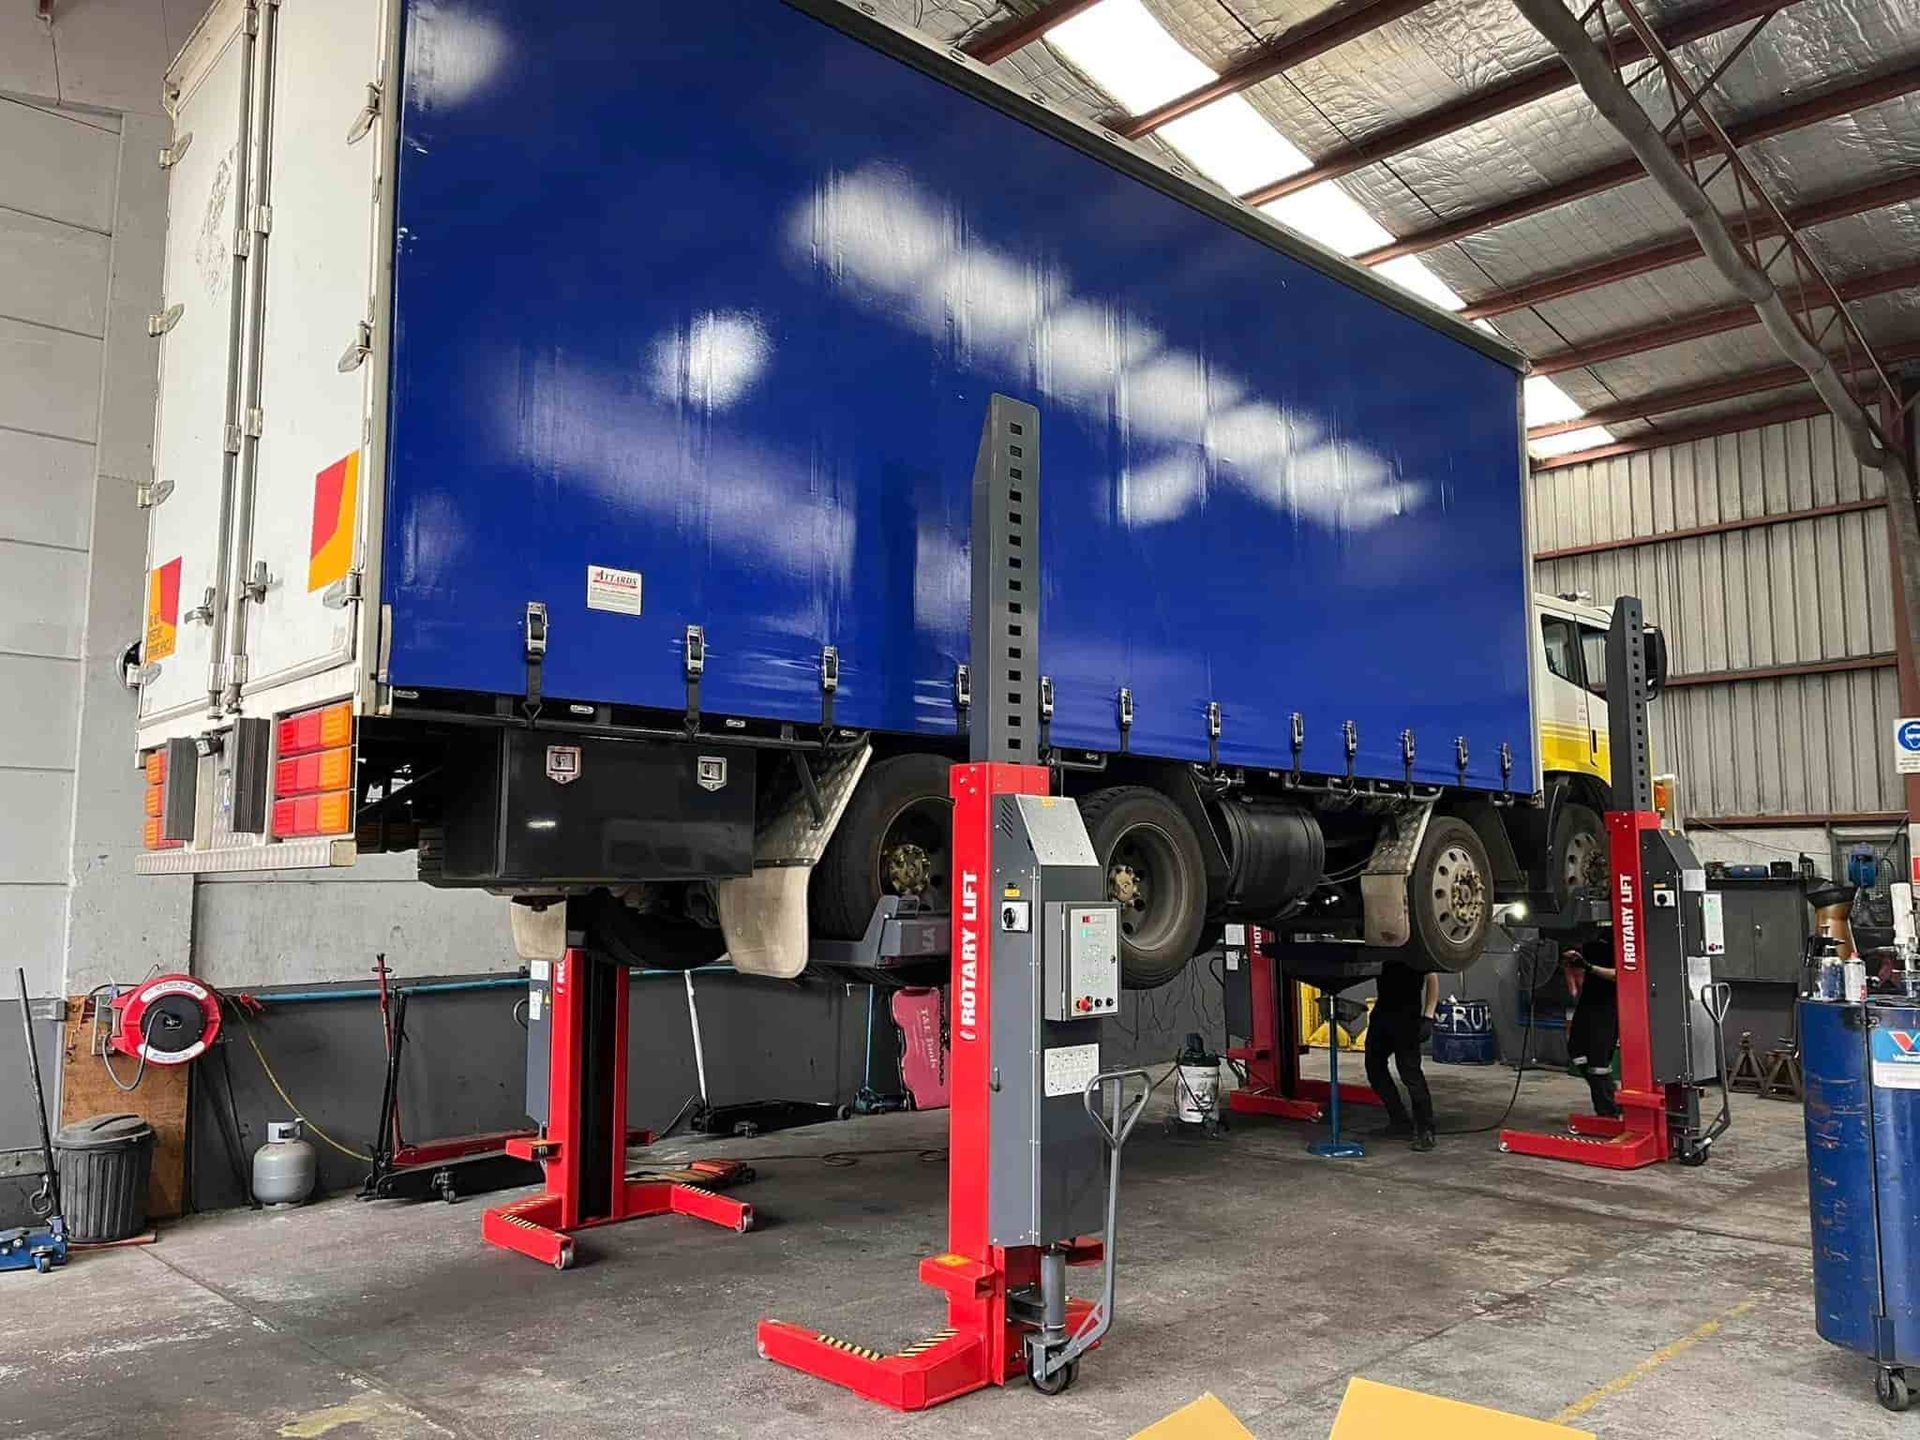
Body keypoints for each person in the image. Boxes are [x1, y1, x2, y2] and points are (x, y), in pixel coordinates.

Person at [1365, 961, 1440, 1151]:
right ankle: (1399, 1121)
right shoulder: (1383, 950)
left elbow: (1432, 978)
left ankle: (1426, 1131)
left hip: (1407, 1017)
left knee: (1410, 1073)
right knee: (1374, 1067)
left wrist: (1428, 1016)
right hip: (1382, 1014)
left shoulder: (1414, 951)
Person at [1565, 939, 1620, 1117]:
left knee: (1598, 1063)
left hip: (1608, 1005)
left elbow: (1619, 975)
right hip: (1588, 1001)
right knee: (1576, 1051)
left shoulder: (1621, 937)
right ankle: (1611, 1096)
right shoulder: (1591, 935)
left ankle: (1608, 1111)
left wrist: (1588, 967)